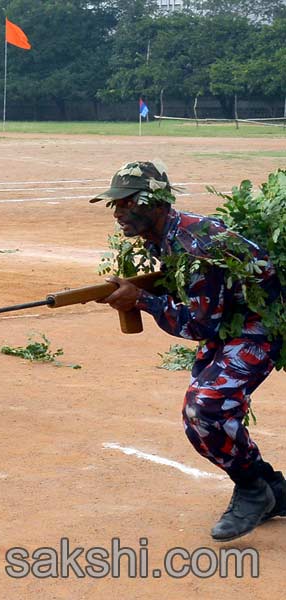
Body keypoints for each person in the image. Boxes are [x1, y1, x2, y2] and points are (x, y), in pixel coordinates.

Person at [95, 160, 285, 541]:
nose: (117, 212)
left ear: (155, 203)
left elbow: (199, 324)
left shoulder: (194, 244)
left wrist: (143, 300)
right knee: (202, 416)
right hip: (233, 321)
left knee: (206, 407)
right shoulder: (168, 235)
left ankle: (252, 491)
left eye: (126, 202)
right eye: (114, 204)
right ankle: (272, 490)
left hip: (261, 323)